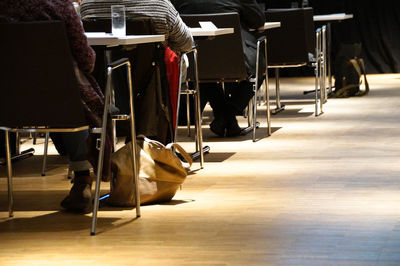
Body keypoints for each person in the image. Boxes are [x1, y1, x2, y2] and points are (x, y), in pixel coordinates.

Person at [0, 0, 108, 213]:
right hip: (62, 102)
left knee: (67, 97)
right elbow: (87, 60)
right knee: (77, 101)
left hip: (10, 103)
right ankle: (82, 179)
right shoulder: (62, 6)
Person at [172, 0, 266, 137]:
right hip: (237, 59)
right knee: (258, 69)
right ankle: (228, 112)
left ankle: (223, 114)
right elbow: (258, 21)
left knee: (202, 73)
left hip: (194, 60)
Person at [80, 0, 194, 55]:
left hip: (103, 84)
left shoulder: (87, 6)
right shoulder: (161, 6)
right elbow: (187, 44)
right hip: (152, 87)